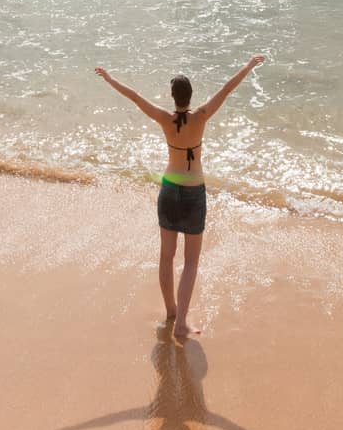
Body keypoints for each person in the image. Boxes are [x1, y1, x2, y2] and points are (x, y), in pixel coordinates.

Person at [94, 55, 265, 338]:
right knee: (191, 261)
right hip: (193, 192)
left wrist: (110, 78)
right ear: (191, 96)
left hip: (169, 189)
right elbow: (226, 89)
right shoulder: (201, 116)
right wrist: (248, 66)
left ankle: (171, 310)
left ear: (173, 97)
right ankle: (181, 322)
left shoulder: (164, 118)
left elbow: (135, 98)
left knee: (166, 256)